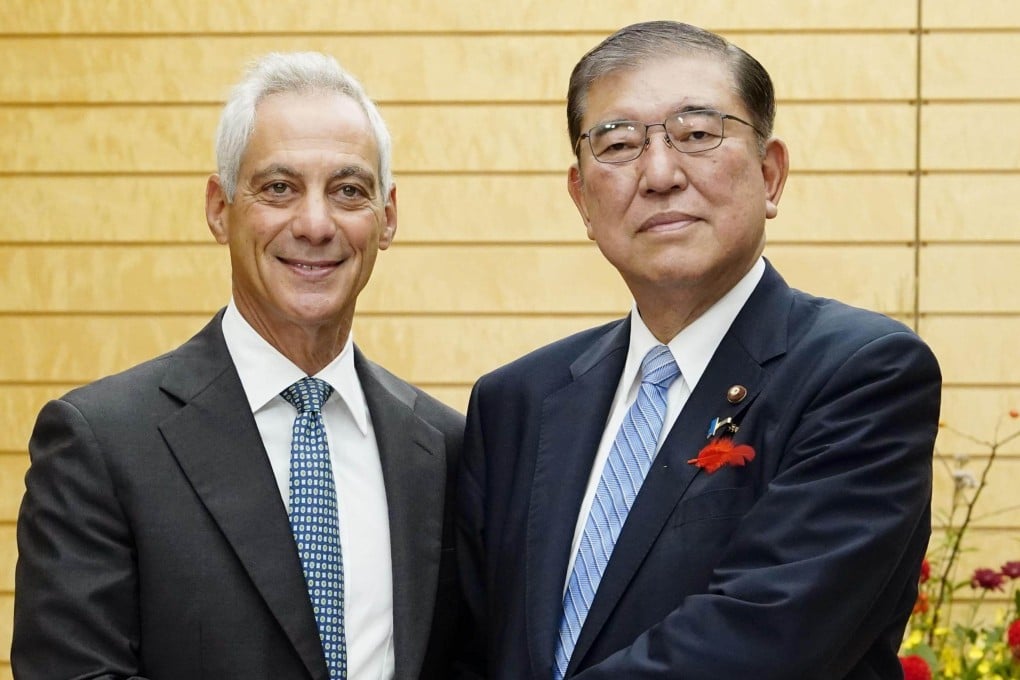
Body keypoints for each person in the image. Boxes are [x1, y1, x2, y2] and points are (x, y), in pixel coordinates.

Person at [455, 21, 940, 680]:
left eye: (697, 135)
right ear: (582, 199)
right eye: (619, 143)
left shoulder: (861, 373)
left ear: (770, 176)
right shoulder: (517, 402)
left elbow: (765, 637)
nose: (658, 173)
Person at [13, 52, 463, 680]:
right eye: (278, 188)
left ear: (386, 218)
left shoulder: (447, 448)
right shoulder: (101, 443)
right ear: (219, 209)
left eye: (348, 191)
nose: (314, 223)